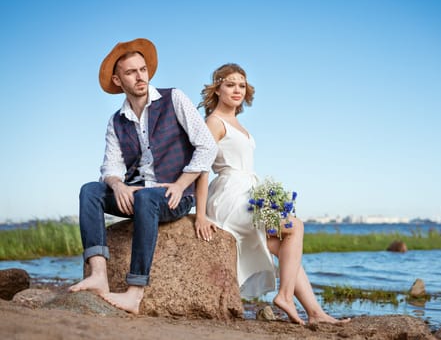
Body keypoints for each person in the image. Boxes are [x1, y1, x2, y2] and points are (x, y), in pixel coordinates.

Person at [68, 38, 217, 314]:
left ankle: (134, 292)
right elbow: (110, 168)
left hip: (174, 194)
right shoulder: (116, 120)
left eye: (143, 69)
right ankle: (99, 273)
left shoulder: (174, 98)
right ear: (117, 80)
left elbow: (207, 146)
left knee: (147, 197)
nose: (140, 76)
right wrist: (118, 185)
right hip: (137, 191)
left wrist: (182, 183)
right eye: (131, 72)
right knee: (90, 190)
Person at [194, 63, 344, 325]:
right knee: (294, 227)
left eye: (241, 85)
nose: (237, 90)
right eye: (230, 84)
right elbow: (201, 169)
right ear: (217, 89)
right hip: (229, 195)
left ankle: (315, 312)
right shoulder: (214, 122)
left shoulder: (237, 122)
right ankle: (284, 296)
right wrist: (200, 214)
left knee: (283, 247)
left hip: (248, 194)